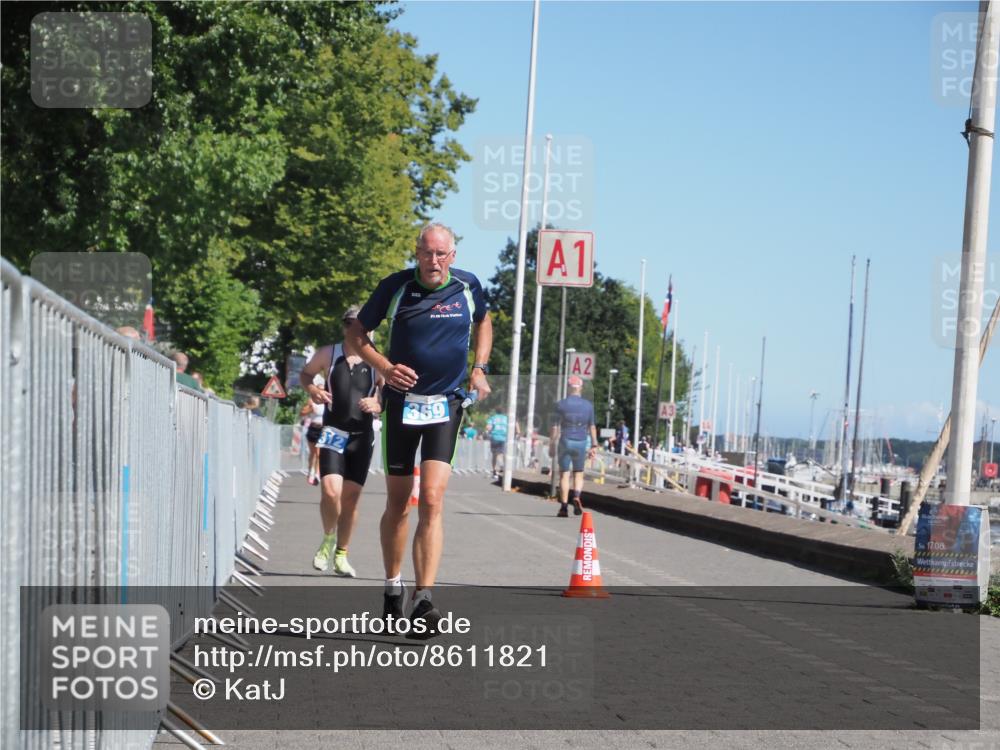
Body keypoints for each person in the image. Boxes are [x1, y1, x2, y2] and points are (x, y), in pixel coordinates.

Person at [346, 222, 492, 636]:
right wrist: (385, 367)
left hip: (446, 403)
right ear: (417, 253)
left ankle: (424, 597)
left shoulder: (467, 286)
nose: (433, 261)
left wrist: (479, 367)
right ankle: (393, 585)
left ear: (452, 256)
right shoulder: (395, 287)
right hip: (401, 405)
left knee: (431, 497)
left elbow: (484, 322)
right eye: (427, 253)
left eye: (441, 254)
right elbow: (357, 334)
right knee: (398, 503)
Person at [299, 306, 383, 578]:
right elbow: (305, 374)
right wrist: (313, 389)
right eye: (349, 324)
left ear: (370, 330)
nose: (355, 329)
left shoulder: (378, 360)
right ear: (344, 326)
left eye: (361, 325)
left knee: (350, 499)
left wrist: (378, 404)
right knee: (330, 491)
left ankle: (342, 554)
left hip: (362, 436)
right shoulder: (328, 353)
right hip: (333, 431)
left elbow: (389, 393)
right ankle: (328, 539)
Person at [550, 375, 599, 517]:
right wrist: (594, 444)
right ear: (581, 388)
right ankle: (576, 496)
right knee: (578, 473)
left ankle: (564, 508)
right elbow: (592, 426)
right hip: (581, 441)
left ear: (568, 388)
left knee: (564, 474)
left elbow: (555, 427)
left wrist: (552, 444)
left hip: (565, 440)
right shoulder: (588, 406)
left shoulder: (560, 404)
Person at [299, 381, 326, 486]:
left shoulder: (327, 402)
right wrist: (310, 409)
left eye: (323, 389)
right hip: (313, 428)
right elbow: (302, 413)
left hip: (323, 429)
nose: (321, 391)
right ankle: (310, 471)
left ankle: (317, 474)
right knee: (313, 453)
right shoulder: (312, 401)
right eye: (320, 389)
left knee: (319, 453)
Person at [485, 407, 508, 481]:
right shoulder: (506, 418)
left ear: (496, 411)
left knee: (494, 455)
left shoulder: (493, 418)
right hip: (503, 438)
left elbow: (488, 427)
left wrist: (487, 431)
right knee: (500, 454)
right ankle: (499, 468)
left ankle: (496, 471)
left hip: (494, 437)